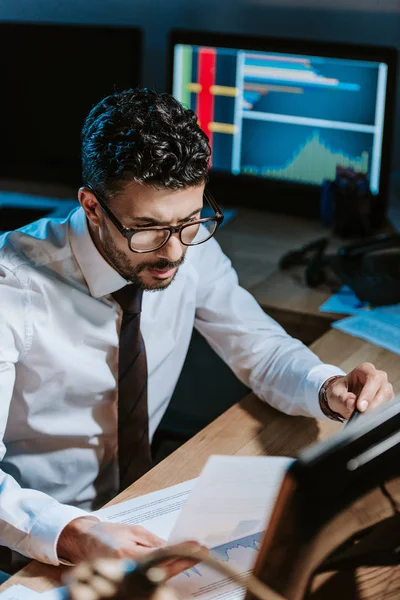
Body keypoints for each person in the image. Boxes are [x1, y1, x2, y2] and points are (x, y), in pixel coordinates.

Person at [0, 88, 394, 574]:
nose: (174, 253)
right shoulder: (10, 288)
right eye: (147, 229)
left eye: (190, 221)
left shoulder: (186, 244)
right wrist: (73, 533)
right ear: (92, 207)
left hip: (147, 510)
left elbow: (261, 349)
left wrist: (328, 387)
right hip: (34, 545)